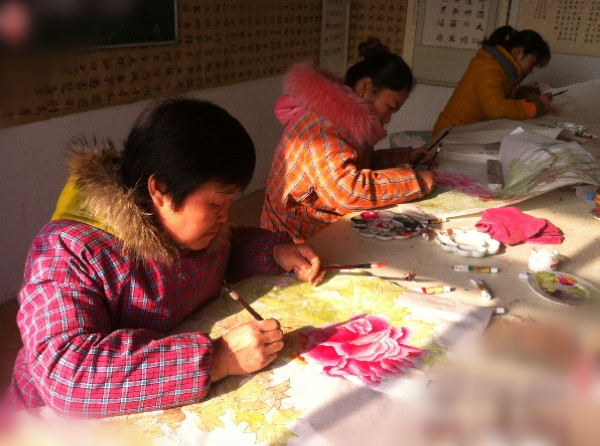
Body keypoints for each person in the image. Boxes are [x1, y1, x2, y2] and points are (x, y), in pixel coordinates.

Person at [4, 97, 324, 418]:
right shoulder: (67, 252)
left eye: (230, 202)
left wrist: (273, 252)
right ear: (160, 190)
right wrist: (219, 359)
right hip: (44, 423)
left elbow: (223, 252)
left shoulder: (191, 230)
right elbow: (66, 375)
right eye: (216, 204)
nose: (225, 216)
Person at [260, 38, 438, 243]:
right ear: (365, 86)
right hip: (293, 236)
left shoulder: (345, 118)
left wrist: (404, 157)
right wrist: (415, 181)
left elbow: (355, 163)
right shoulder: (324, 126)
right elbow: (346, 192)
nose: (388, 118)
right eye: (390, 107)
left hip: (317, 223)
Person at [432, 26, 552, 136]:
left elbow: (497, 97)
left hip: (463, 134)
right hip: (448, 138)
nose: (531, 70)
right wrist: (537, 106)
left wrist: (526, 95)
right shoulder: (489, 68)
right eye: (532, 63)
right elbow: (496, 109)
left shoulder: (501, 68)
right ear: (519, 52)